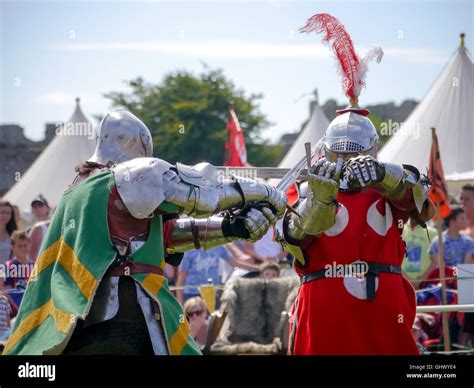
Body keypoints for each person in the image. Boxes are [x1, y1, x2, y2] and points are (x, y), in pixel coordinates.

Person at [3, 109, 286, 355]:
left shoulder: (76, 189)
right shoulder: (129, 175)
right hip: (127, 314)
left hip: (78, 323)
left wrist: (230, 227)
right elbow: (204, 195)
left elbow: (160, 238)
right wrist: (263, 191)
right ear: (138, 147)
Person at [276, 13, 434, 355]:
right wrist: (319, 199)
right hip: (325, 300)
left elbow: (423, 201)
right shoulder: (307, 184)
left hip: (381, 300)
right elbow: (291, 237)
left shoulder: (389, 185)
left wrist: (382, 175)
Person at [402, 216, 437, 288]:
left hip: (425, 285)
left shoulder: (432, 232)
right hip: (402, 283)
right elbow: (394, 260)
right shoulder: (400, 230)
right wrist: (407, 280)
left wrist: (420, 281)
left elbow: (435, 261)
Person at [28, 195, 51, 261]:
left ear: (48, 208)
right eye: (34, 206)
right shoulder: (29, 230)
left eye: (40, 205)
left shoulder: (56, 225)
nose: (37, 208)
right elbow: (31, 255)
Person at [0, 201, 17, 265]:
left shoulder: (13, 234)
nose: (5, 215)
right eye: (2, 212)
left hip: (6, 272)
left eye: (8, 213)